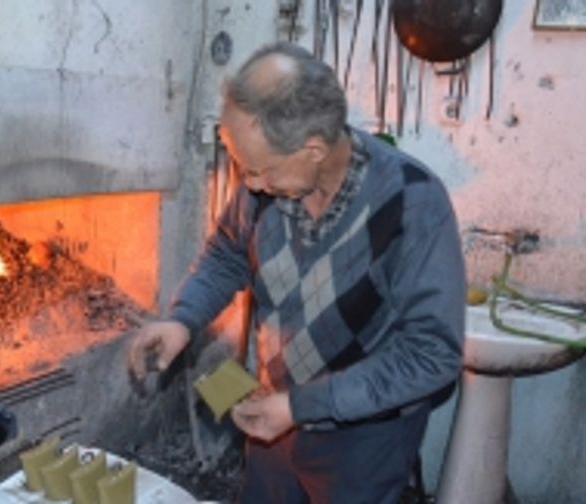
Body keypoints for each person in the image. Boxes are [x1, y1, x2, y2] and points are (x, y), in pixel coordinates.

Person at [128, 42, 465, 503]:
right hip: (274, 415)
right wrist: (182, 320)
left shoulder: (412, 203)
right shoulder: (263, 187)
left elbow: (431, 355)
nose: (249, 185)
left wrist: (303, 406)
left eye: (259, 171)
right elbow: (228, 252)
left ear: (313, 150)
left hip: (363, 439)